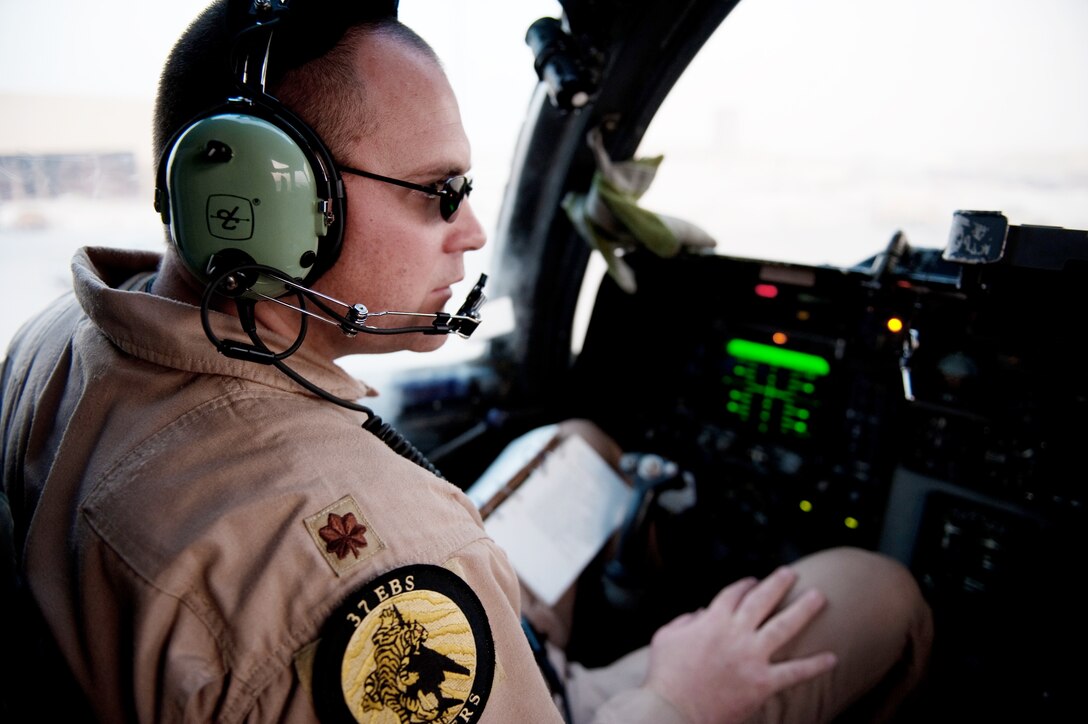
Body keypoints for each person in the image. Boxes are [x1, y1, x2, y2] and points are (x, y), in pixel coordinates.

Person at [0, 1, 932, 722]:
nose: (473, 232)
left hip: (421, 625)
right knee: (881, 594)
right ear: (270, 205)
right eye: (439, 195)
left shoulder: (67, 337)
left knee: (584, 442)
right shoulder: (388, 563)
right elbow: (370, 563)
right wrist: (685, 694)